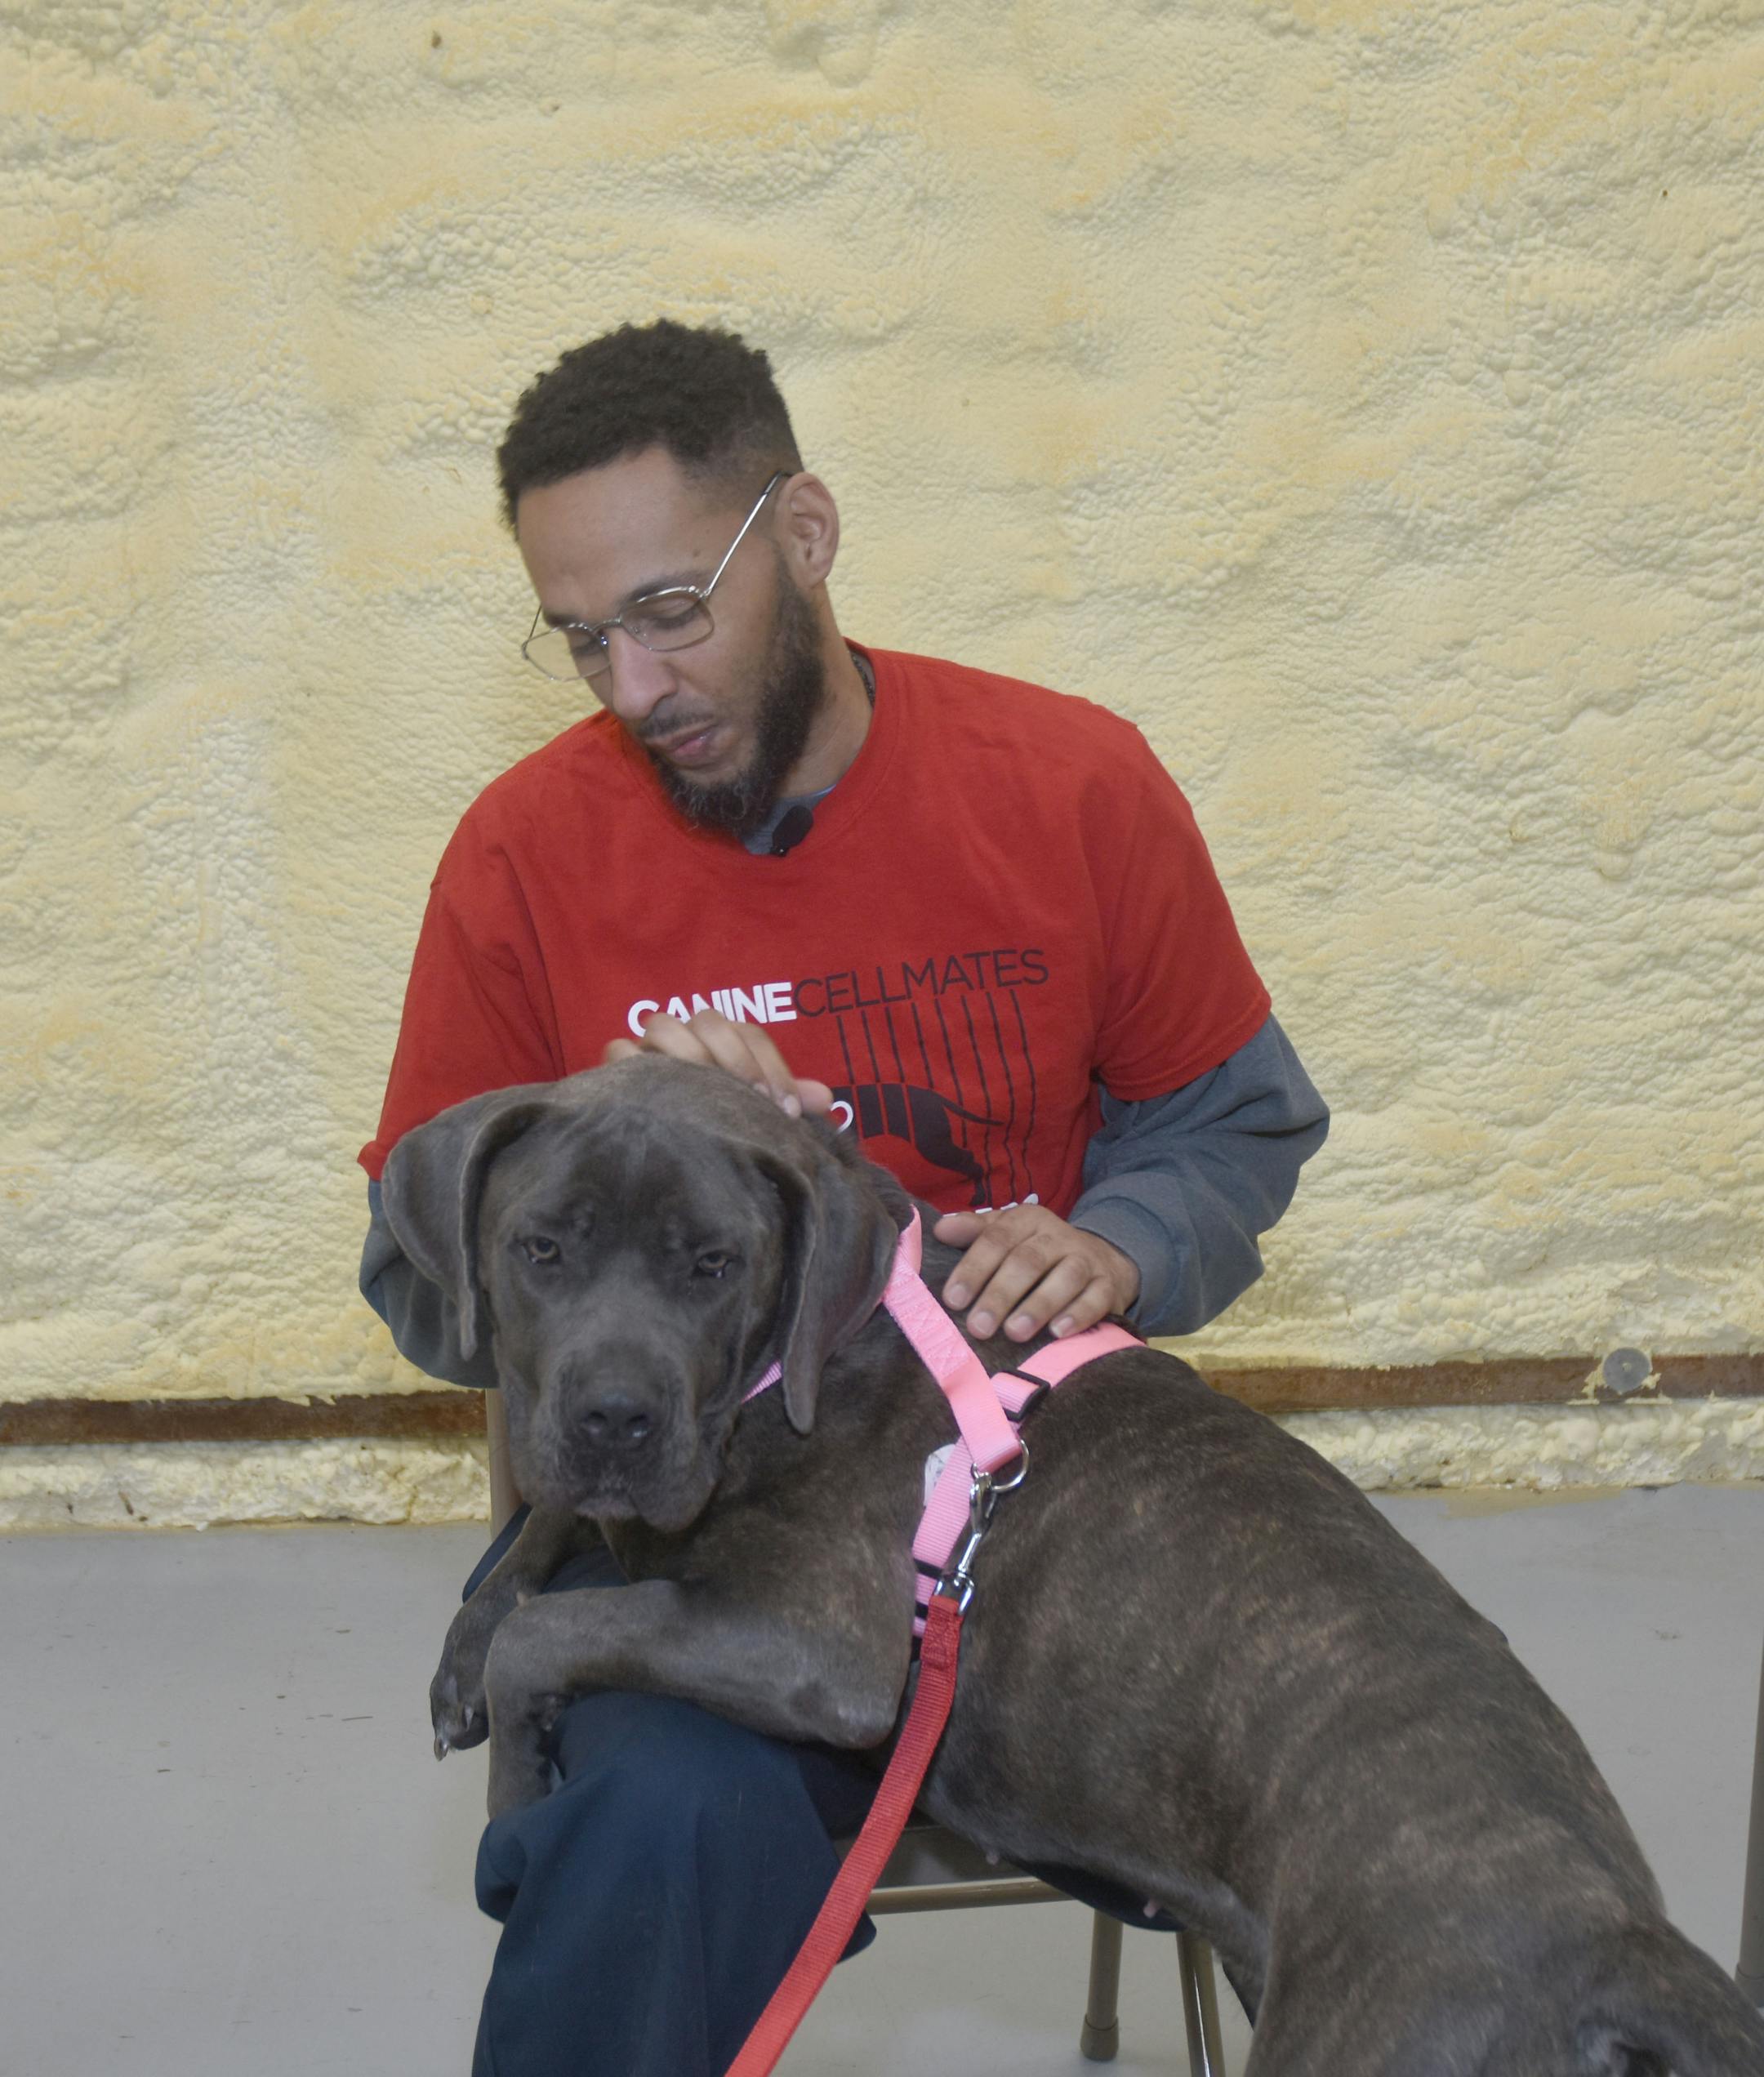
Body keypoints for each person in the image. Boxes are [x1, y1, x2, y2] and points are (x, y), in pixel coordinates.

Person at [359, 319, 1328, 2077]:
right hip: (706, 1546)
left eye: (669, 612)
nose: (632, 687)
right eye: (581, 639)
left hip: (1046, 1530)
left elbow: (1233, 1128)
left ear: (802, 530)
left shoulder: (1071, 789)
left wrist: (1125, 1239)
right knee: (656, 1828)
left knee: (1372, 1775)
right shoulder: (526, 858)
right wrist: (615, 1129)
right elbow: (417, 1289)